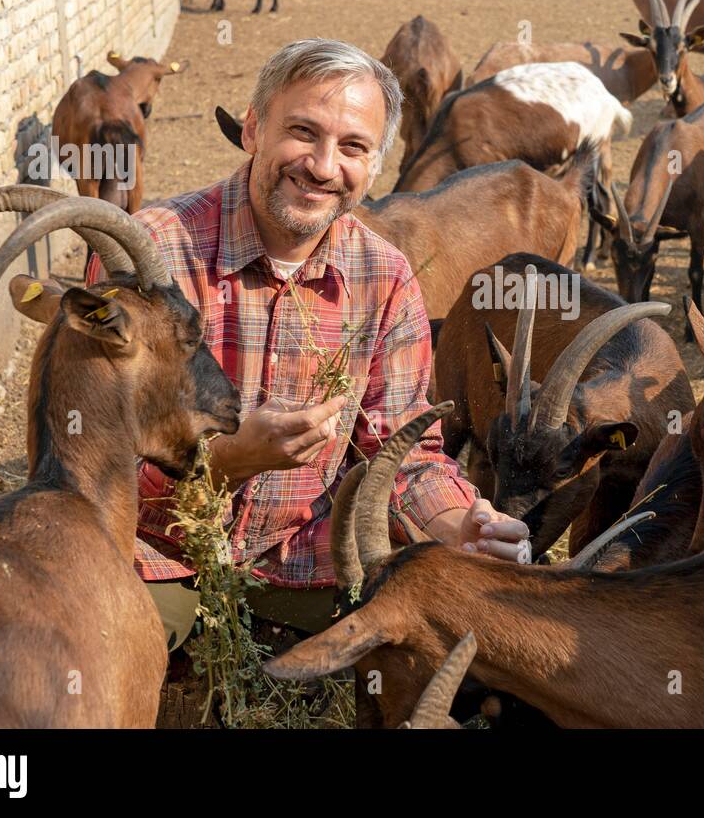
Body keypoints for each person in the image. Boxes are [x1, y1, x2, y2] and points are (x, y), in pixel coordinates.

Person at [87, 38, 529, 649]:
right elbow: (90, 458)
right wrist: (226, 461)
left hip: (306, 564)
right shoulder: (151, 254)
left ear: (375, 166)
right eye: (302, 132)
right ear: (252, 130)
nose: (323, 166)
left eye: (353, 147)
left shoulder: (385, 276)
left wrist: (459, 523)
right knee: (95, 653)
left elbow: (402, 451)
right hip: (154, 552)